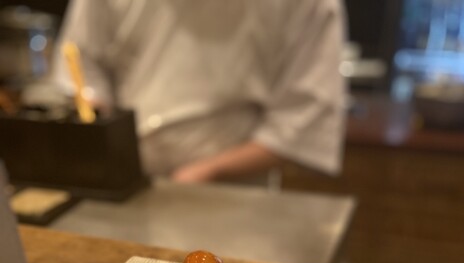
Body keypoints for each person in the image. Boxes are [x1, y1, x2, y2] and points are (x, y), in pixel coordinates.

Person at [50, 0, 347, 184]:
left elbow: (302, 120)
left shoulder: (308, 5)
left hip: (235, 197)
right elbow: (80, 61)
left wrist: (208, 170)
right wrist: (99, 120)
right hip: (126, 177)